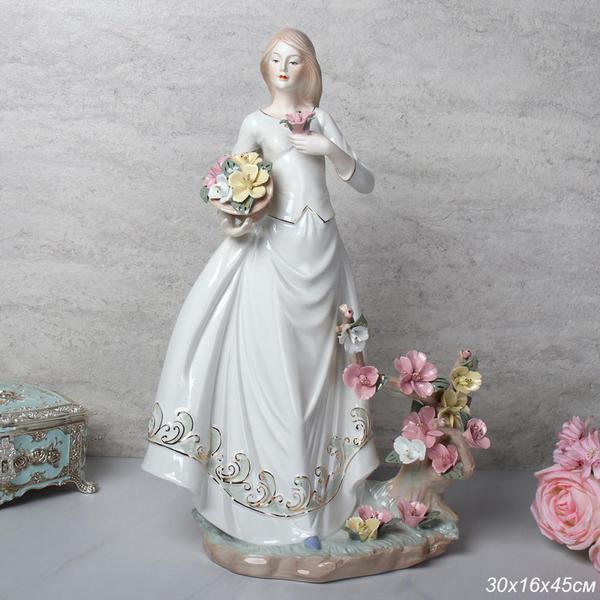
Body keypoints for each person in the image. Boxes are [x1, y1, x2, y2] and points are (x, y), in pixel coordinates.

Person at [142, 28, 378, 549]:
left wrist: (329, 149)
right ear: (265, 66)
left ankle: (319, 500)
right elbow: (228, 190)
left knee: (323, 373)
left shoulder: (320, 119)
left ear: (308, 67)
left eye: (294, 60)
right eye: (276, 59)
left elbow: (365, 182)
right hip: (275, 254)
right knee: (277, 371)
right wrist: (235, 219)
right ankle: (279, 511)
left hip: (324, 254)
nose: (284, 68)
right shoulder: (255, 123)